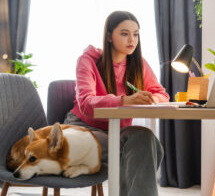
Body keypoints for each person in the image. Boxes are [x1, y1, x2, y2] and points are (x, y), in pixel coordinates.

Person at [63, 11, 169, 196]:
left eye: (136, 34)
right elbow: (86, 103)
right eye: (124, 33)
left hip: (116, 130)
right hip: (83, 129)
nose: (132, 40)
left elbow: (162, 94)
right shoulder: (88, 61)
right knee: (143, 149)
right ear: (109, 36)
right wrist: (124, 100)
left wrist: (151, 99)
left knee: (147, 140)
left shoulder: (138, 64)